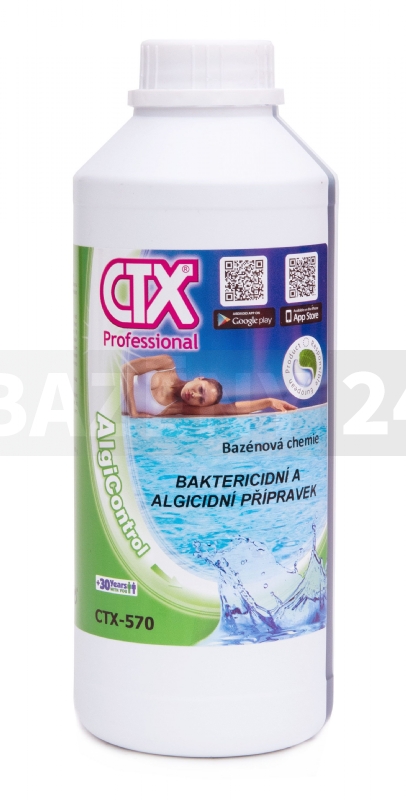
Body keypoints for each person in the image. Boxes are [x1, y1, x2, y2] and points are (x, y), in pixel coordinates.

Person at [122, 355, 296, 417]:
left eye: (201, 400)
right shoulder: (167, 364)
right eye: (200, 389)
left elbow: (228, 409)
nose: (195, 395)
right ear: (199, 378)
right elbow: (127, 369)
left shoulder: (178, 408)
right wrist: (133, 412)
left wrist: (268, 401)